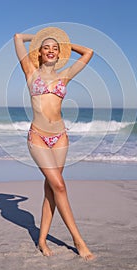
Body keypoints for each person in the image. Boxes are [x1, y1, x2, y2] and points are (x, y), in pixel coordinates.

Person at [14, 26, 95, 260]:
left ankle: (41, 240)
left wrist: (65, 43)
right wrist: (39, 36)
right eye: (45, 48)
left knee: (52, 189)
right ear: (38, 52)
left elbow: (88, 52)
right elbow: (18, 37)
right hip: (38, 136)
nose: (50, 50)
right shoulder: (30, 71)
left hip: (60, 137)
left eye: (54, 48)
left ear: (59, 53)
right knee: (59, 186)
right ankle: (79, 241)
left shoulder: (65, 75)